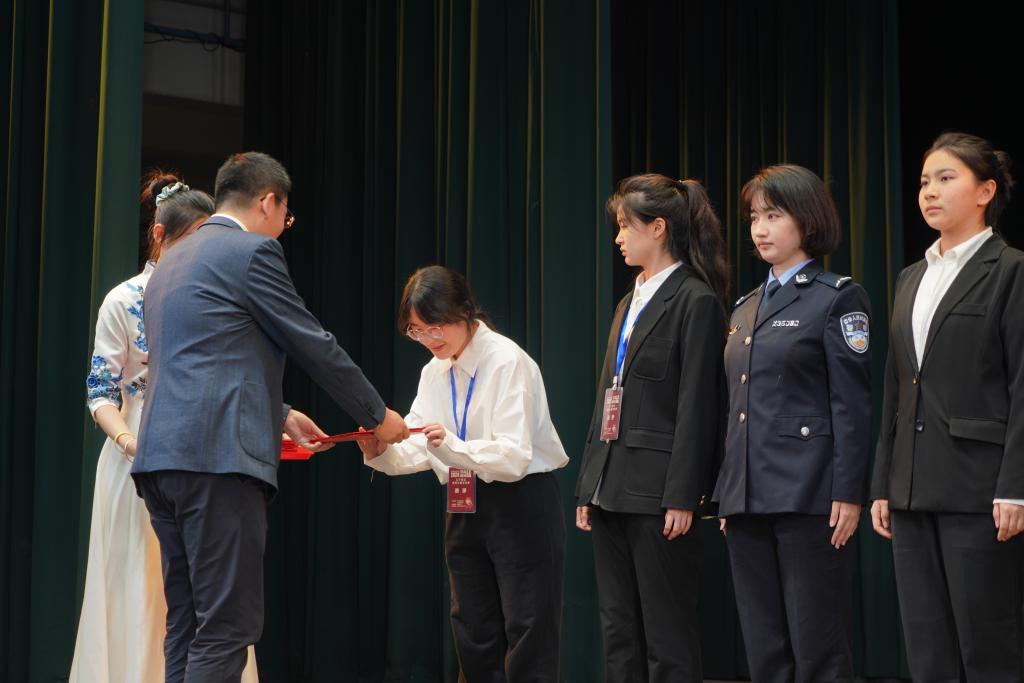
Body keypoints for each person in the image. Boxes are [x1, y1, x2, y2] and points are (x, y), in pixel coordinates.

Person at [131, 152, 409, 682]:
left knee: (187, 622)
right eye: (286, 214)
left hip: (161, 458)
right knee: (225, 626)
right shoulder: (252, 251)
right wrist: (378, 413)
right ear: (267, 201)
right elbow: (312, 342)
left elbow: (196, 357)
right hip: (217, 460)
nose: (284, 226)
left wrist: (279, 413)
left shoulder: (172, 261)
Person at [70, 173, 259, 682]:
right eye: (192, 237)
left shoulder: (214, 295)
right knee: (140, 583)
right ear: (159, 235)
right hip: (139, 449)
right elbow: (100, 391)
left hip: (203, 448)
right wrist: (130, 440)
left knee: (208, 586)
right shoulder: (123, 299)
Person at [359, 265, 569, 683]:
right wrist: (381, 452)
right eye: (417, 331)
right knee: (472, 628)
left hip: (521, 501)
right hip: (465, 500)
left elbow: (513, 456)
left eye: (435, 326)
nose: (429, 339)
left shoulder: (506, 361)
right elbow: (421, 443)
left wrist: (451, 447)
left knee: (528, 628)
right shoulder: (434, 372)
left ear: (465, 311)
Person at [870, 132, 1024, 681]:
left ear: (985, 191)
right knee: (926, 646)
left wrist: (1015, 487)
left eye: (945, 178)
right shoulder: (911, 276)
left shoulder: (1011, 269)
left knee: (986, 644)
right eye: (923, 182)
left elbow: (1021, 383)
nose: (929, 191)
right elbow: (895, 387)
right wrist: (883, 483)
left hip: (979, 488)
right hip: (911, 487)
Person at [712, 164, 872, 682]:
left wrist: (848, 492)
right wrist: (730, 492)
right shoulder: (744, 308)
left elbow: (851, 405)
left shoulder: (835, 296)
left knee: (817, 645)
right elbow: (736, 409)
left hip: (809, 495)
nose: (760, 229)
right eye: (754, 217)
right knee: (764, 647)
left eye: (774, 215)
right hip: (747, 499)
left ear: (806, 219)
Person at [574, 174, 727, 682]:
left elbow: (698, 407)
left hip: (659, 493)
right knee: (618, 628)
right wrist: (588, 485)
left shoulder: (694, 300)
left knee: (667, 633)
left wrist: (683, 496)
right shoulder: (628, 301)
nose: (618, 238)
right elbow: (606, 395)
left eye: (625, 226)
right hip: (611, 487)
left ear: (658, 228)